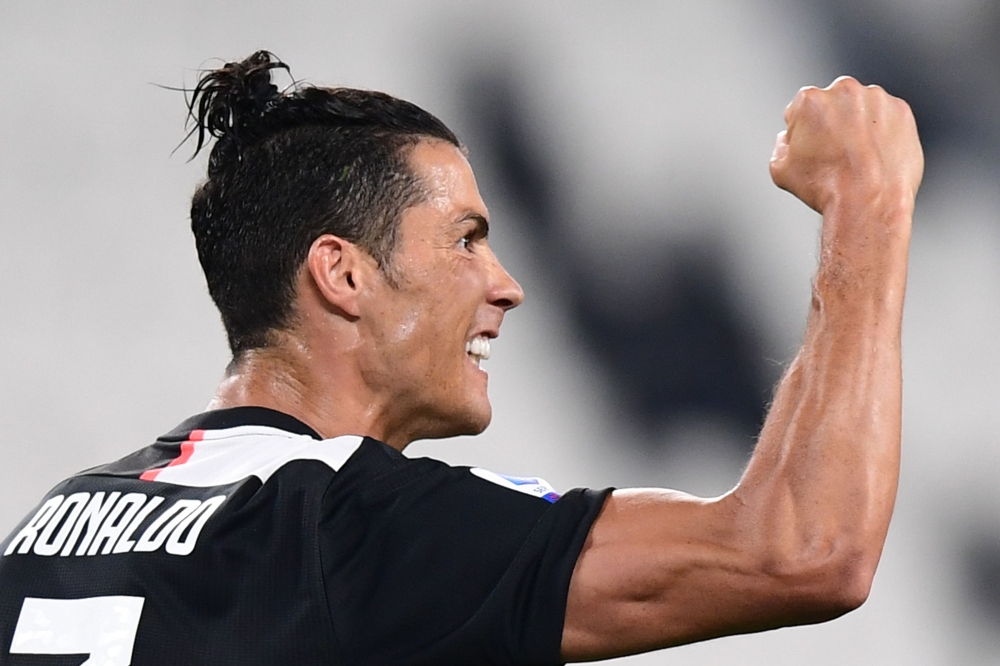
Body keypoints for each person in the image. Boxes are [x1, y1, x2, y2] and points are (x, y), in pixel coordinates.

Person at [0, 50, 922, 665]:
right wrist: (867, 204)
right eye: (466, 240)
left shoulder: (53, 524)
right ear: (343, 275)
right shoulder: (345, 525)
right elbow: (804, 550)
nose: (507, 284)